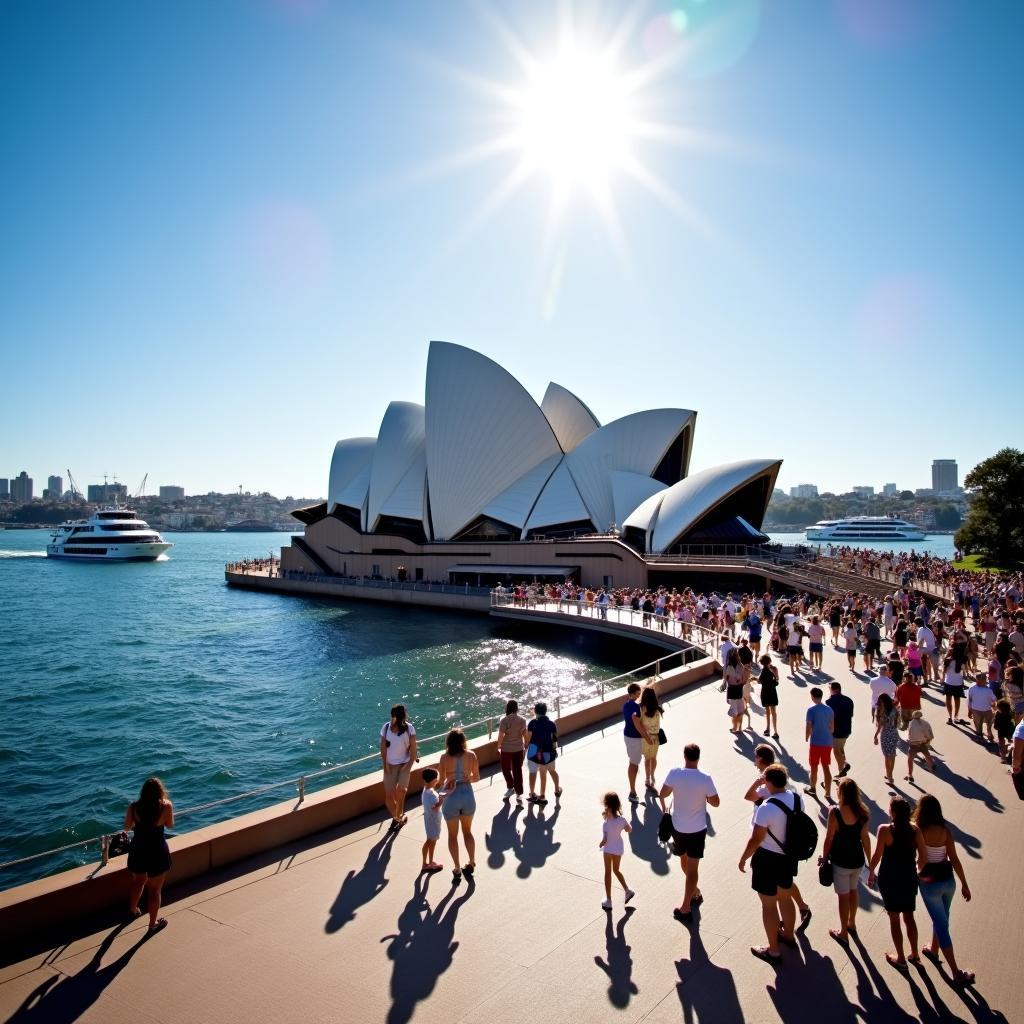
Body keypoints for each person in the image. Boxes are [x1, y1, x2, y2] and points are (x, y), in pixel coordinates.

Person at [743, 745, 812, 931]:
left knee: (772, 899)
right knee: (785, 885)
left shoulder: (767, 787)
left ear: (761, 759)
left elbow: (749, 797)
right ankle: (801, 911)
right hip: (789, 846)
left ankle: (775, 943)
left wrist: (744, 858)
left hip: (770, 844)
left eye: (756, 756)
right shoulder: (784, 781)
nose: (754, 758)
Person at [739, 764, 801, 963]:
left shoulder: (767, 807)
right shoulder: (797, 799)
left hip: (767, 859)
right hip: (788, 857)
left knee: (768, 905)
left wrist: (743, 858)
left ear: (769, 782)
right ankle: (789, 935)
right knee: (785, 897)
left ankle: (773, 950)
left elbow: (756, 839)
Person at [913, 794, 974, 986]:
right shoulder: (946, 832)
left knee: (941, 924)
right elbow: (954, 859)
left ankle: (955, 973)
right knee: (942, 917)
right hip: (949, 882)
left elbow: (919, 859)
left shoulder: (919, 831)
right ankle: (933, 949)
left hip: (929, 882)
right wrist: (964, 883)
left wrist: (916, 872)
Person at [660, 743, 719, 922]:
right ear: (698, 757)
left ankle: (686, 907)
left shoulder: (675, 773)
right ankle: (695, 891)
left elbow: (663, 793)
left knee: (685, 865)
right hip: (698, 829)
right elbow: (716, 802)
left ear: (684, 756)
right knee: (691, 868)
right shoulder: (705, 778)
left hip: (678, 828)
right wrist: (705, 796)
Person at [867, 797, 921, 970]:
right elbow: (924, 857)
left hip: (890, 879)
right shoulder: (915, 830)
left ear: (894, 812)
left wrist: (871, 872)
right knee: (909, 917)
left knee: (894, 918)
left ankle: (901, 958)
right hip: (909, 878)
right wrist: (914, 870)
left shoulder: (884, 830)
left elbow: (877, 855)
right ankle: (915, 953)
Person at [819, 778, 870, 943]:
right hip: (857, 860)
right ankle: (852, 923)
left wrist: (824, 857)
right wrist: (871, 864)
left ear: (840, 793)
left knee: (843, 897)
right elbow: (866, 839)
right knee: (854, 891)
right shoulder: (863, 812)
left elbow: (829, 838)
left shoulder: (835, 812)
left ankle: (843, 933)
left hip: (840, 861)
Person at [125, 777, 173, 934]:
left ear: (143, 792)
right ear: (160, 791)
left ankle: (133, 910)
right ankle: (152, 926)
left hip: (138, 849)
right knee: (154, 890)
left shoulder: (133, 807)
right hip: (157, 850)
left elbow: (127, 827)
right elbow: (170, 825)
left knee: (138, 881)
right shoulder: (166, 806)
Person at [439, 729, 480, 884]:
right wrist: (467, 777)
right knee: (467, 832)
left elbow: (441, 779)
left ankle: (457, 867)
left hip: (451, 797)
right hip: (467, 796)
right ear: (463, 741)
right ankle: (471, 861)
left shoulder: (444, 757)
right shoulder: (471, 755)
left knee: (452, 835)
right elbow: (476, 778)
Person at [380, 704, 418, 829]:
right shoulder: (386, 728)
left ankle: (398, 818)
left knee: (401, 792)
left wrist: (407, 767)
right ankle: (398, 818)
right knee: (389, 797)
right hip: (390, 765)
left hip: (404, 764)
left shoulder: (409, 729)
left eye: (394, 716)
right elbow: (383, 749)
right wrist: (385, 766)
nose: (392, 719)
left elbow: (413, 751)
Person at [598, 792, 634, 909]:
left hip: (608, 849)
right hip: (618, 848)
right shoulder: (622, 820)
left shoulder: (606, 823)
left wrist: (601, 843)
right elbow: (629, 830)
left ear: (607, 805)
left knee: (607, 872)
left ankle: (609, 900)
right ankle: (627, 890)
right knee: (616, 870)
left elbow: (605, 839)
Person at [527, 702, 561, 805]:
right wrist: (554, 751)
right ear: (545, 711)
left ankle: (532, 794)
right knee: (549, 772)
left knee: (532, 773)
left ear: (535, 711)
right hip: (547, 751)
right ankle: (555, 791)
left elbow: (528, 739)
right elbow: (555, 739)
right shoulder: (552, 724)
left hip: (533, 751)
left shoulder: (532, 723)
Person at [495, 699, 528, 805]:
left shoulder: (504, 720)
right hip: (519, 748)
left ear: (507, 708)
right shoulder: (522, 720)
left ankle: (510, 787)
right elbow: (524, 735)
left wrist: (498, 746)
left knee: (505, 769)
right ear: (516, 708)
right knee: (517, 770)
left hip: (506, 749)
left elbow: (501, 735)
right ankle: (519, 794)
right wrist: (526, 746)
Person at [804, 687, 834, 801]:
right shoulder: (829, 709)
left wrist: (807, 736)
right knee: (826, 767)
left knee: (814, 767)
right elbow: (832, 727)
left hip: (816, 742)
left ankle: (812, 788)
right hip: (827, 742)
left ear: (812, 696)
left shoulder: (811, 710)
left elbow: (809, 725)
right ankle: (827, 793)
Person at [826, 682, 854, 779]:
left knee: (836, 750)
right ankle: (845, 763)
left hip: (836, 731)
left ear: (832, 689)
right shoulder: (849, 700)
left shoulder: (829, 702)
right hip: (847, 729)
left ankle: (841, 771)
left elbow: (829, 719)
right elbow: (851, 715)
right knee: (840, 748)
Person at [419, 767, 445, 873]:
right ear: (434, 780)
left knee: (429, 840)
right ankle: (429, 863)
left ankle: (426, 862)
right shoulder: (430, 795)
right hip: (433, 821)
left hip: (429, 820)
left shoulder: (426, 791)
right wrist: (441, 800)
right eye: (437, 778)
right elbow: (435, 807)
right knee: (432, 841)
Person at [639, 686, 663, 792]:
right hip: (656, 737)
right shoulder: (658, 709)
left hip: (645, 737)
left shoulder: (641, 708)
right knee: (653, 758)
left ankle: (647, 778)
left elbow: (639, 724)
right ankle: (652, 775)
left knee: (647, 759)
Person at [622, 682, 644, 802]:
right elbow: (637, 723)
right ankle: (632, 792)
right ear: (632, 693)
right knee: (633, 764)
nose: (638, 696)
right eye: (637, 693)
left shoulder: (626, 705)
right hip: (634, 738)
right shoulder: (635, 707)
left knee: (633, 761)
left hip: (627, 736)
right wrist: (647, 737)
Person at [874, 693, 900, 786]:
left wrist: (875, 736)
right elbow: (897, 723)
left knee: (886, 756)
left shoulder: (882, 712)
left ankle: (890, 776)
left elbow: (880, 726)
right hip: (894, 733)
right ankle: (890, 775)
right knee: (892, 754)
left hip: (885, 734)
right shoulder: (895, 710)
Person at [966, 672, 996, 743]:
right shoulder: (987, 690)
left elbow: (994, 700)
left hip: (982, 709)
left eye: (985, 679)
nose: (986, 681)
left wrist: (970, 710)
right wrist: (970, 710)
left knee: (984, 724)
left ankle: (986, 735)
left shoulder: (986, 690)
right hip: (981, 710)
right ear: (978, 680)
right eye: (984, 680)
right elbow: (970, 700)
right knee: (981, 724)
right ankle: (983, 735)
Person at [906, 710, 935, 780]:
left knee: (910, 760)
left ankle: (910, 774)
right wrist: (927, 740)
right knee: (927, 754)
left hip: (914, 744)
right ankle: (931, 765)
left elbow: (910, 735)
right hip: (923, 743)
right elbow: (930, 733)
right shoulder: (925, 723)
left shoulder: (911, 723)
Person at [723, 648, 745, 733]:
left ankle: (734, 727)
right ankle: (739, 727)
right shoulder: (741, 666)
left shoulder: (728, 667)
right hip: (739, 689)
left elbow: (726, 678)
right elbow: (742, 678)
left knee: (734, 710)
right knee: (740, 709)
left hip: (732, 689)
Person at [942, 653, 967, 724]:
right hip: (958, 683)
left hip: (949, 682)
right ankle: (956, 717)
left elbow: (944, 671)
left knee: (948, 700)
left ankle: (950, 717)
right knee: (957, 700)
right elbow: (962, 672)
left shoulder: (947, 660)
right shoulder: (962, 660)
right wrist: (962, 681)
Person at [758, 655, 779, 738]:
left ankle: (768, 729)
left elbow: (759, 681)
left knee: (767, 712)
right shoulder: (774, 669)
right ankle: (775, 731)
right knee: (774, 712)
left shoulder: (763, 671)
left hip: (765, 692)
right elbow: (776, 682)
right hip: (772, 692)